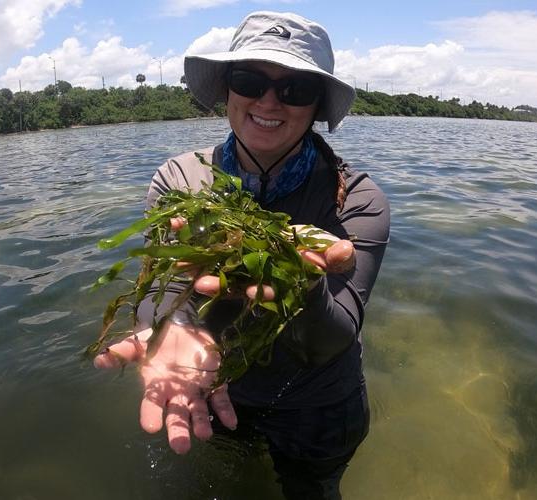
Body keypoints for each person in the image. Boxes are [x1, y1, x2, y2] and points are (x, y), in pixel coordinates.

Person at [94, 11, 390, 500]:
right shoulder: (179, 180)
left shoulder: (356, 200)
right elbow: (165, 283)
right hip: (215, 383)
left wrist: (305, 282)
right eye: (249, 80)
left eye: (294, 89)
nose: (269, 100)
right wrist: (171, 329)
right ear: (227, 91)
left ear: (317, 105)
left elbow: (332, 338)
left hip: (320, 407)